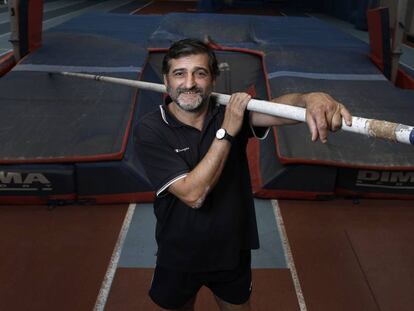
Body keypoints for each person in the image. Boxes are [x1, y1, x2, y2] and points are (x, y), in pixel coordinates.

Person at [134, 38, 352, 311]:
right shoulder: (151, 128)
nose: (189, 83)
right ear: (167, 80)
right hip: (178, 253)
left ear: (213, 79)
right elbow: (193, 194)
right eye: (180, 73)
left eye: (199, 73)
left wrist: (310, 98)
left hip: (231, 252)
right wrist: (227, 130)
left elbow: (283, 110)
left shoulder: (229, 111)